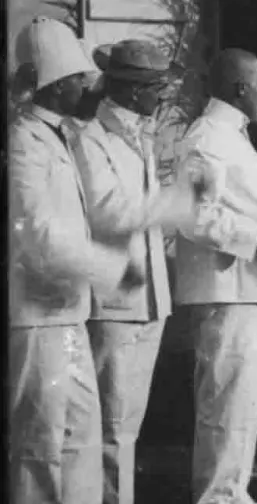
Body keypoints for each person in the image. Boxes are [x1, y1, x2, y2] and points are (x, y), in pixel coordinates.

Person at [10, 19, 144, 504]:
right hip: (37, 317)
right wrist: (109, 268)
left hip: (68, 311)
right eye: (76, 78)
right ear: (55, 81)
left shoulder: (57, 136)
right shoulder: (25, 139)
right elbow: (38, 232)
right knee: (40, 441)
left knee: (80, 437)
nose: (84, 85)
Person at [170, 48, 257, 503]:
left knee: (242, 403)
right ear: (239, 87)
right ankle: (218, 497)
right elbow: (192, 217)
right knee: (226, 403)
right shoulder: (206, 138)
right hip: (227, 289)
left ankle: (232, 493)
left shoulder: (235, 138)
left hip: (249, 287)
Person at [68, 40, 176, 504]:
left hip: (149, 298)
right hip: (113, 300)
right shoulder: (89, 139)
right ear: (135, 92)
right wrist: (177, 201)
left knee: (127, 425)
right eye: (158, 89)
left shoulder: (140, 137)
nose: (163, 97)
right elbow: (108, 211)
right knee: (108, 424)